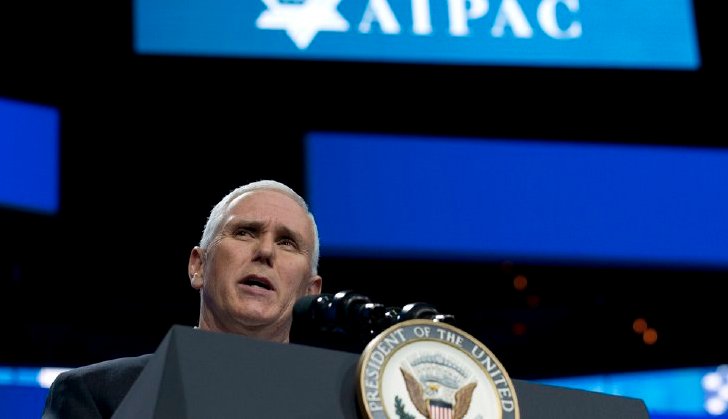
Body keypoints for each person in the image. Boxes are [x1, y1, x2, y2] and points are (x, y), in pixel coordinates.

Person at [42, 180, 323, 418]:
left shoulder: (339, 408)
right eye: (244, 232)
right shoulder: (96, 395)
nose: (265, 251)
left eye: (287, 242)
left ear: (310, 292)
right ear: (198, 266)